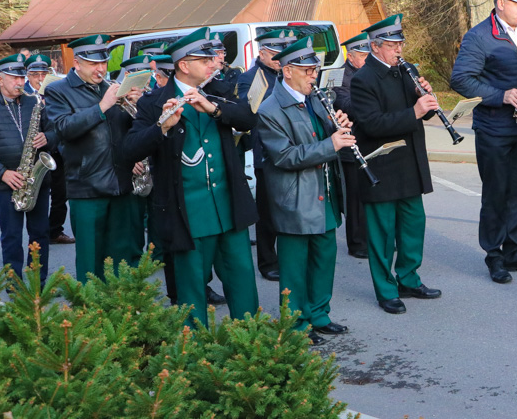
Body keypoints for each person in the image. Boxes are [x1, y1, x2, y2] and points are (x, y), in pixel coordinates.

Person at [125, 28, 259, 328]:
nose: (214, 63)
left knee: (241, 279)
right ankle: (196, 351)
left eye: (214, 58)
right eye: (205, 59)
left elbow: (249, 118)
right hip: (186, 213)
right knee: (191, 286)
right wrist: (162, 126)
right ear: (184, 65)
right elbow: (129, 149)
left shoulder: (219, 91)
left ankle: (252, 343)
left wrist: (212, 108)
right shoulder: (152, 102)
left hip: (229, 207)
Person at [449, 0, 517, 284]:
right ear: (501, 4)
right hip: (493, 128)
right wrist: (502, 95)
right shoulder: (478, 37)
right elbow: (461, 79)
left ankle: (514, 250)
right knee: (496, 194)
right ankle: (494, 256)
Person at [257, 36, 352, 345]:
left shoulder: (313, 97)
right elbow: (283, 156)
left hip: (324, 191)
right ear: (287, 71)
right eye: (308, 69)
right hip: (295, 198)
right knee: (295, 269)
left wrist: (336, 126)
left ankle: (320, 315)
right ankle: (296, 326)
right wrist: (331, 144)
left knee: (324, 258)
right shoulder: (271, 109)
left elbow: (320, 134)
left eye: (315, 69)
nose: (314, 75)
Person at [350, 14, 442, 315]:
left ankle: (409, 279)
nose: (398, 49)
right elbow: (371, 124)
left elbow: (419, 112)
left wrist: (427, 103)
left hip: (410, 162)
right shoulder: (363, 78)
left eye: (400, 43)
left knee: (414, 226)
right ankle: (386, 289)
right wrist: (415, 111)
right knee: (382, 235)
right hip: (383, 167)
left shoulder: (407, 69)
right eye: (392, 45)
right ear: (376, 47)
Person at [44, 34, 146, 283]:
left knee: (122, 255)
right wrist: (102, 107)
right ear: (77, 63)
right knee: (91, 260)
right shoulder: (57, 90)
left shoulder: (109, 87)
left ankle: (124, 312)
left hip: (121, 184)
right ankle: (89, 315)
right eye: (93, 64)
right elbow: (63, 129)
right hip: (86, 187)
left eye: (104, 63)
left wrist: (138, 106)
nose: (101, 69)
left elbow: (125, 133)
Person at [0, 54, 54, 285]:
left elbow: (56, 132)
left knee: (40, 234)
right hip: (6, 183)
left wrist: (48, 137)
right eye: (15, 78)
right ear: (0, 79)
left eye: (22, 77)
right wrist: (2, 173)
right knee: (12, 236)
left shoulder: (34, 101)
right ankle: (14, 286)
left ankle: (38, 283)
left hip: (36, 181)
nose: (20, 83)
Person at [236, 29, 298, 282]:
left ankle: (288, 258)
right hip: (266, 152)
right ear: (261, 53)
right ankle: (267, 261)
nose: (279, 59)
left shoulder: (288, 75)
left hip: (293, 148)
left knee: (288, 209)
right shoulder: (250, 78)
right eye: (274, 54)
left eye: (283, 54)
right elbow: (247, 113)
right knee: (267, 213)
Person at [24, 54, 75, 246]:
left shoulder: (55, 92)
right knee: (37, 195)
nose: (39, 78)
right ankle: (37, 235)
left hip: (57, 151)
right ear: (27, 75)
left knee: (61, 194)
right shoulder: (24, 95)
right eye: (35, 74)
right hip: (35, 153)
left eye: (43, 74)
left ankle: (55, 231)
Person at [332, 32, 371, 259]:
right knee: (355, 198)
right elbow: (343, 103)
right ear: (352, 55)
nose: (368, 59)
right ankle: (357, 243)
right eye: (365, 55)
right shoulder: (339, 75)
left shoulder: (371, 74)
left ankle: (375, 239)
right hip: (350, 143)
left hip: (371, 141)